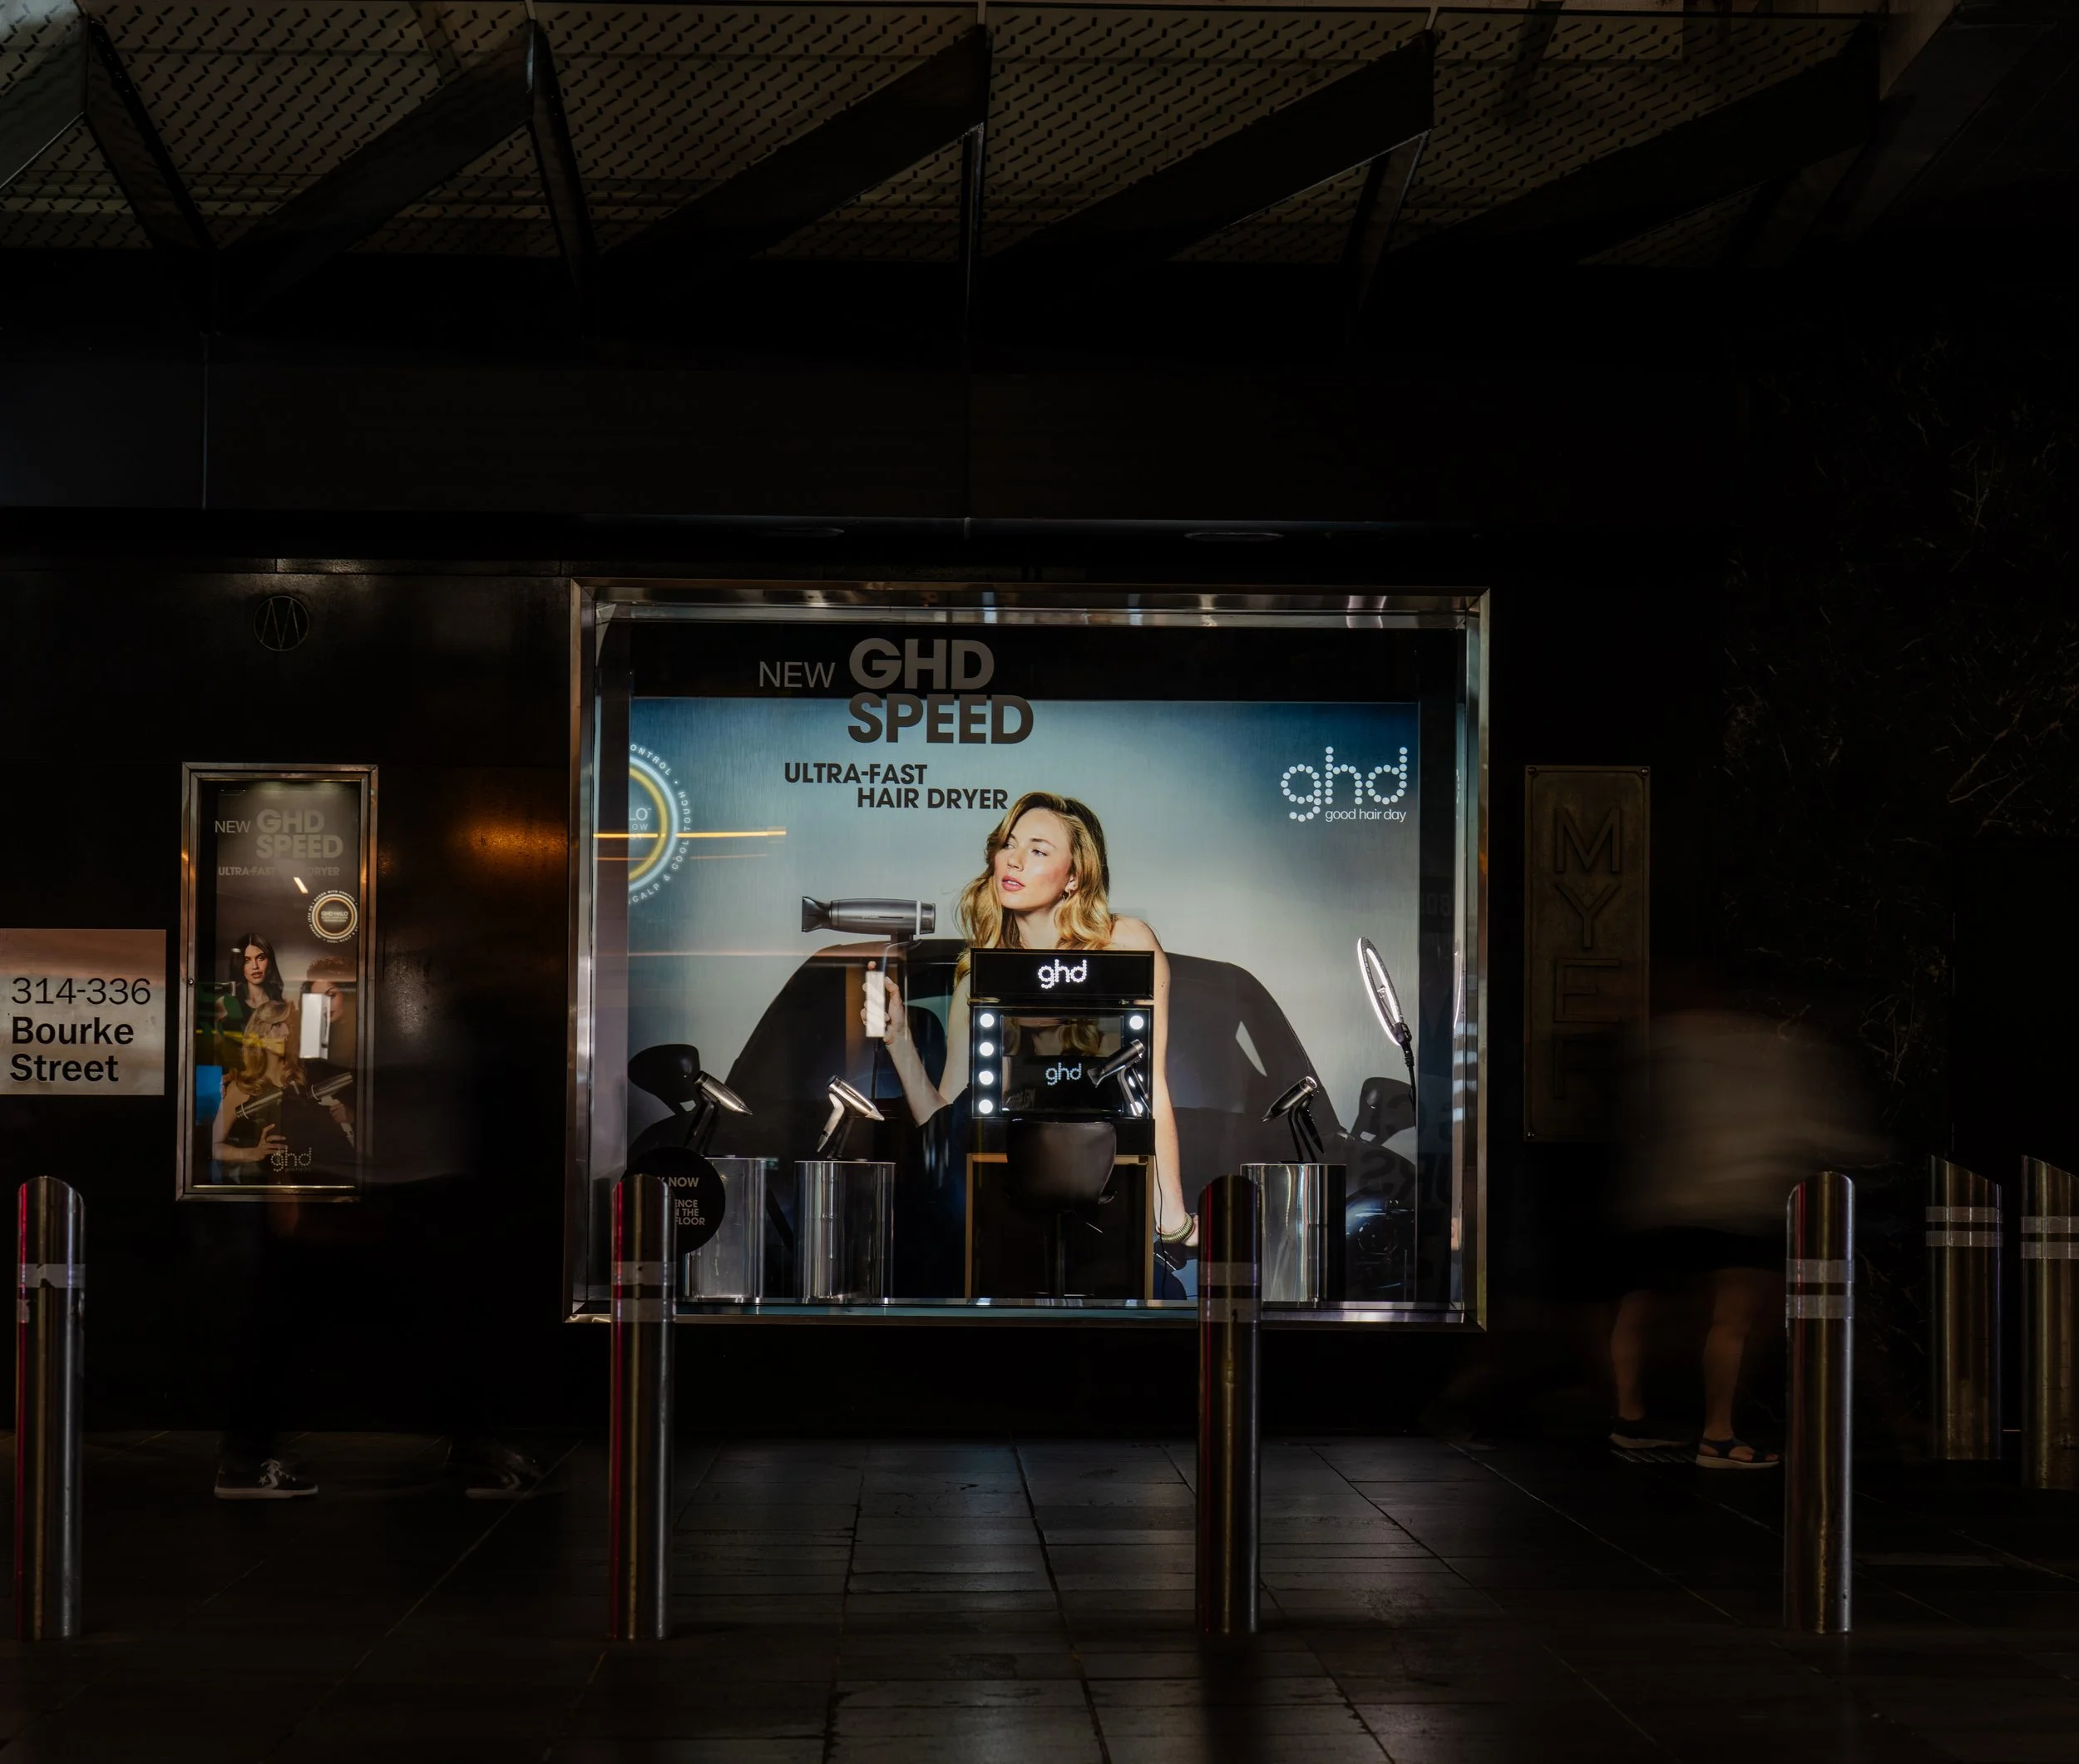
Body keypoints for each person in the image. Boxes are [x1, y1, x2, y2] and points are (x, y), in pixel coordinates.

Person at [867, 792, 1194, 1258]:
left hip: (1092, 1199)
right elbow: (944, 1121)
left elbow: (1149, 1087)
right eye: (1009, 844)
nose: (1014, 860)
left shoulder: (1123, 946)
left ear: (1074, 876)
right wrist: (899, 1040)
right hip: (990, 1210)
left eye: (1038, 851)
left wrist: (1172, 1218)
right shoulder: (976, 979)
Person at [1608, 996, 1881, 1468]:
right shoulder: (1781, 1049)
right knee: (1733, 1322)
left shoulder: (1667, 1040)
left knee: (1640, 1307)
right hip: (1738, 1203)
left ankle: (1629, 1418)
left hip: (1665, 1201)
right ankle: (1717, 1434)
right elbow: (1809, 1127)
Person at [210, 998, 353, 1183]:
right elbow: (214, 1147)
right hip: (278, 1186)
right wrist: (253, 1153)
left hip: (328, 1180)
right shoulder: (242, 1087)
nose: (286, 1031)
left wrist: (351, 1115)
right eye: (277, 1025)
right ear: (259, 1033)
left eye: (288, 1025)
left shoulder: (307, 1074)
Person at [214, 931, 284, 1070]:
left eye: (261, 958)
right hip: (237, 1076)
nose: (255, 966)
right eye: (247, 960)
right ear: (239, 964)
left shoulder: (280, 1004)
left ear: (270, 961)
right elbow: (214, 1052)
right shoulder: (225, 1004)